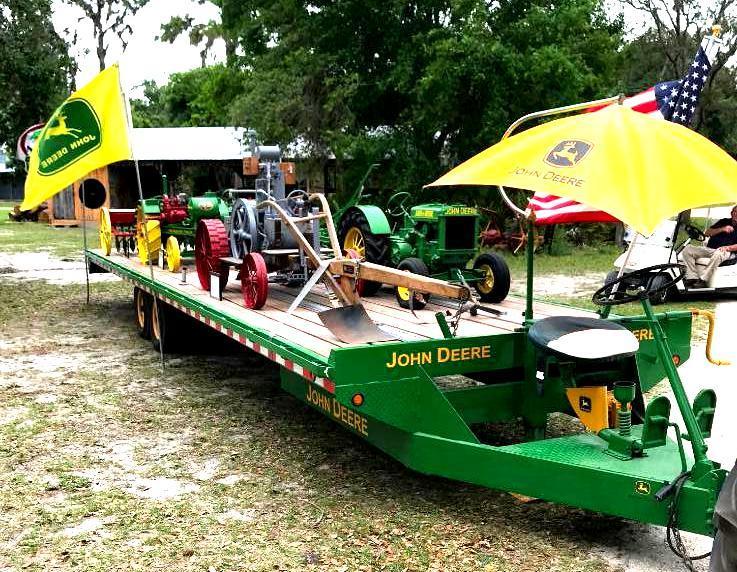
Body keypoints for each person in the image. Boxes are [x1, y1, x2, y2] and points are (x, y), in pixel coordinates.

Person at [681, 205, 737, 288]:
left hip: (727, 251)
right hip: (710, 249)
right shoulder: (723, 222)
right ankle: (691, 278)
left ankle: (703, 280)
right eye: (734, 212)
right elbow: (707, 233)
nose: (736, 214)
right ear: (731, 213)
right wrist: (722, 229)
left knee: (719, 253)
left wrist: (727, 248)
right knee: (688, 249)